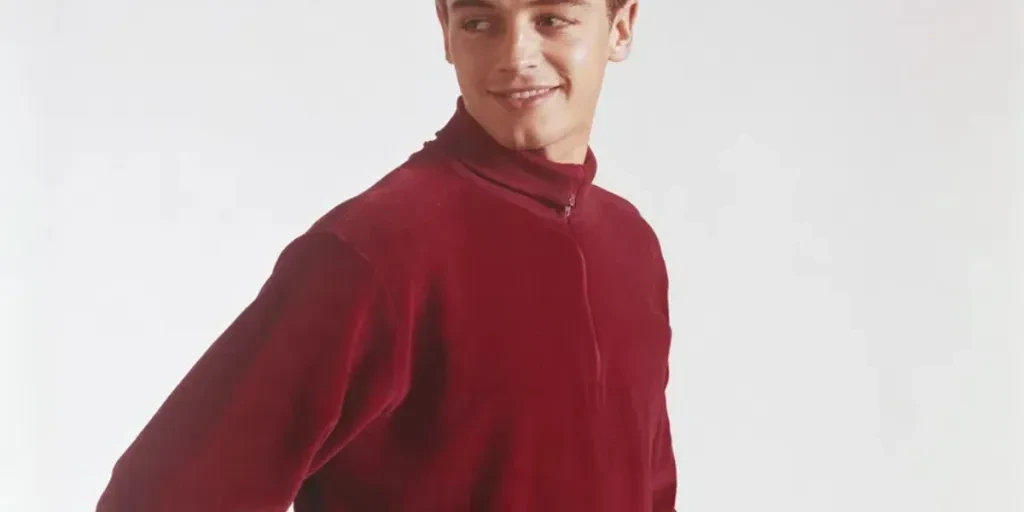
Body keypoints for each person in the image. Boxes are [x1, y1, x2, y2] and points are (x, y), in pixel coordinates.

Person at [97, 0, 676, 510]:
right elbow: (162, 496)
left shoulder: (630, 245)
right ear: (446, 30)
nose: (515, 54)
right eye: (480, 22)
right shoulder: (374, 249)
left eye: (551, 18)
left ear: (620, 25)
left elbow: (649, 490)